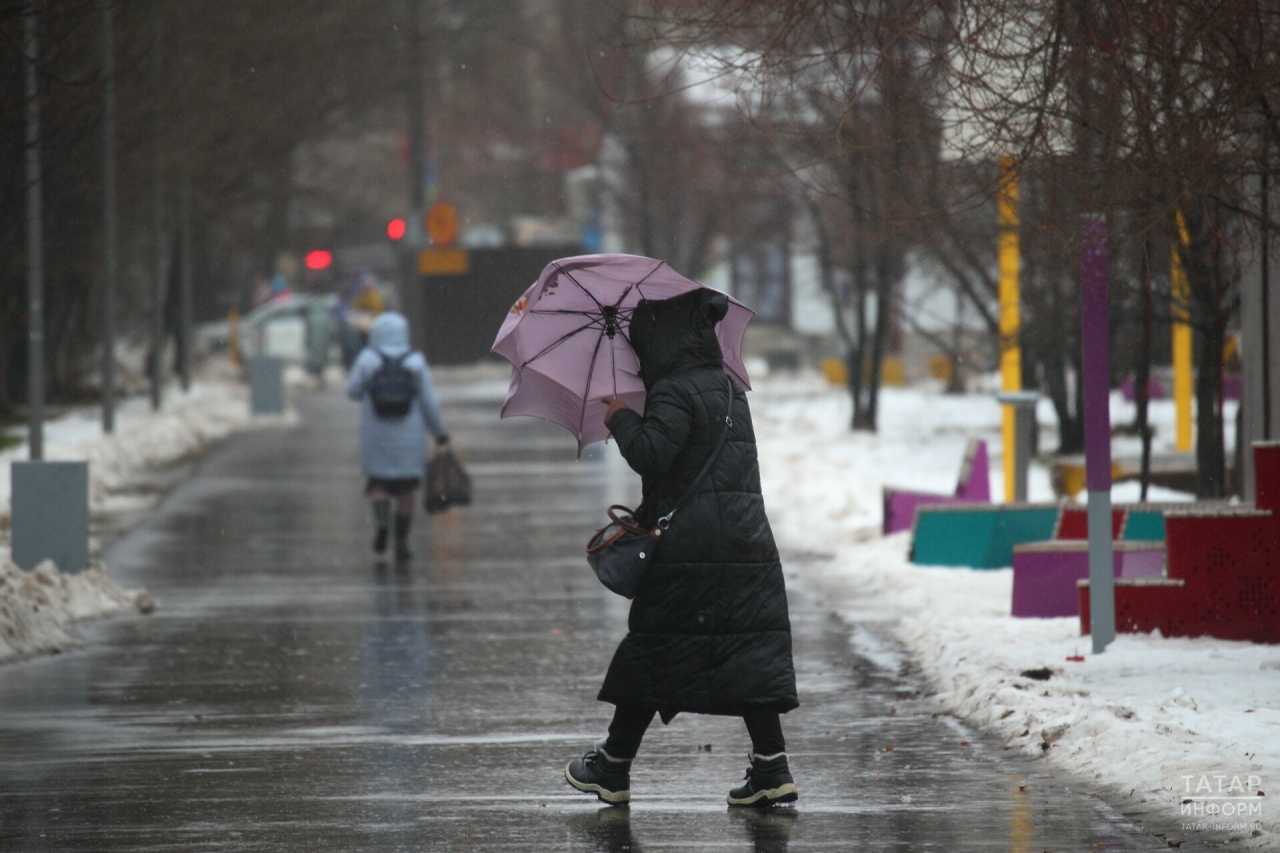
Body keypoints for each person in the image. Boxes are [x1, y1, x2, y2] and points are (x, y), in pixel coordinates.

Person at [564, 288, 799, 807]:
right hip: (746, 541)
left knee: (653, 648)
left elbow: (653, 455)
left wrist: (621, 417)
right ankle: (770, 767)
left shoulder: (673, 390)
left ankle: (613, 764)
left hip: (692, 548)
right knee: (747, 648)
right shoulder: (729, 390)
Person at [346, 312, 449, 560]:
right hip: (409, 437)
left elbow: (352, 391)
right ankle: (401, 543)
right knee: (405, 491)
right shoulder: (415, 361)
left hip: (377, 434)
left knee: (379, 484)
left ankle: (382, 524)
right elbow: (428, 401)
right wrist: (440, 433)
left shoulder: (367, 359)